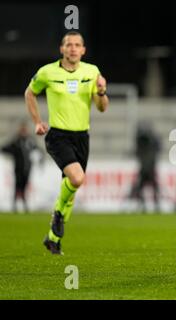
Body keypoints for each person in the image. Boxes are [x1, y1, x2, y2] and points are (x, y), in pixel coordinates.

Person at [24, 31, 109, 255]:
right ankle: (58, 216)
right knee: (77, 178)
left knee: (71, 190)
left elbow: (102, 107)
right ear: (61, 49)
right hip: (58, 136)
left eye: (77, 45)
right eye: (68, 44)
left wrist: (101, 91)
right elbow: (30, 93)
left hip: (82, 137)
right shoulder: (47, 72)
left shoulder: (92, 72)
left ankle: (53, 239)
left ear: (83, 50)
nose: (73, 48)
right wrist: (37, 121)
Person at [1, 121, 43, 213]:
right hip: (18, 169)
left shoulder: (30, 141)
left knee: (24, 186)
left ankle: (24, 205)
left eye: (25, 129)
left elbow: (37, 150)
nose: (24, 131)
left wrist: (40, 157)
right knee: (17, 186)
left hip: (27, 169)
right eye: (22, 129)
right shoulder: (16, 141)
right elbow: (6, 148)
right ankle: (15, 205)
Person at [129, 124, 161, 213]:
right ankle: (145, 205)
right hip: (146, 169)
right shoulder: (145, 144)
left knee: (148, 188)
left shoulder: (149, 144)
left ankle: (154, 205)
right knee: (143, 188)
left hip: (148, 169)